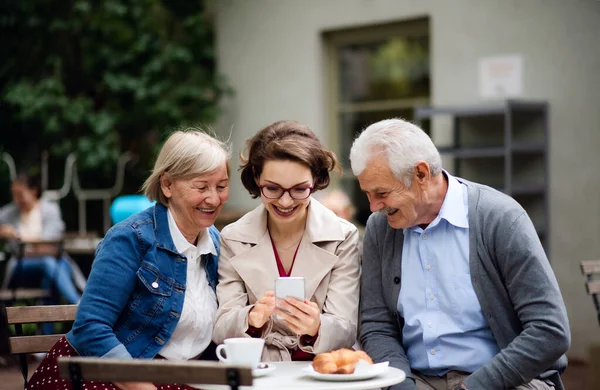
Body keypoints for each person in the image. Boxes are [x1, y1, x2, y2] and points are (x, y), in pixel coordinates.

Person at [349, 119, 569, 390]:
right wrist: (401, 385)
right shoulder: (380, 229)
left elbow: (549, 330)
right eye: (367, 195)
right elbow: (377, 325)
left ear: (421, 174)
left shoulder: (499, 218)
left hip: (503, 381)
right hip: (417, 380)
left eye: (381, 193)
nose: (373, 207)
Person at [26, 129, 231, 390]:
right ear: (167, 184)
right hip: (104, 378)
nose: (214, 198)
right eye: (201, 187)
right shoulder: (130, 238)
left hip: (182, 381)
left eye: (222, 187)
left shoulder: (216, 243)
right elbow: (91, 327)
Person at [213, 120, 361, 361]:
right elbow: (221, 328)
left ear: (316, 181)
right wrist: (251, 319)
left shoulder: (343, 236)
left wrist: (316, 328)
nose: (285, 202)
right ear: (256, 178)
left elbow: (346, 329)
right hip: (260, 373)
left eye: (299, 189)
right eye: (272, 189)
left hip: (320, 373)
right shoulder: (233, 237)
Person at [0, 173, 85, 313]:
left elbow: (48, 244)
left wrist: (17, 235)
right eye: (14, 195)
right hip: (21, 266)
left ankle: (47, 332)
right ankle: (78, 305)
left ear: (33, 191)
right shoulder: (9, 212)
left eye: (20, 194)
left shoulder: (50, 210)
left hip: (49, 263)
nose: (16, 199)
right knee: (51, 262)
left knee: (50, 278)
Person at [318, 188, 365, 256]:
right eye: (324, 214)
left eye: (334, 213)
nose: (328, 219)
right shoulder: (315, 239)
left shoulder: (363, 240)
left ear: (347, 213)